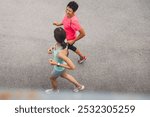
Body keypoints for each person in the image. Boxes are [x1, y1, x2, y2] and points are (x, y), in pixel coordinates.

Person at [45, 27, 85, 93]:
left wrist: (56, 63)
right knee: (64, 75)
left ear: (55, 38)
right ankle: (79, 86)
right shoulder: (65, 41)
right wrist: (52, 49)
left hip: (58, 68)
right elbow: (57, 46)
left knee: (52, 78)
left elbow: (73, 67)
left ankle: (55, 90)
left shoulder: (60, 54)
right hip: (62, 64)